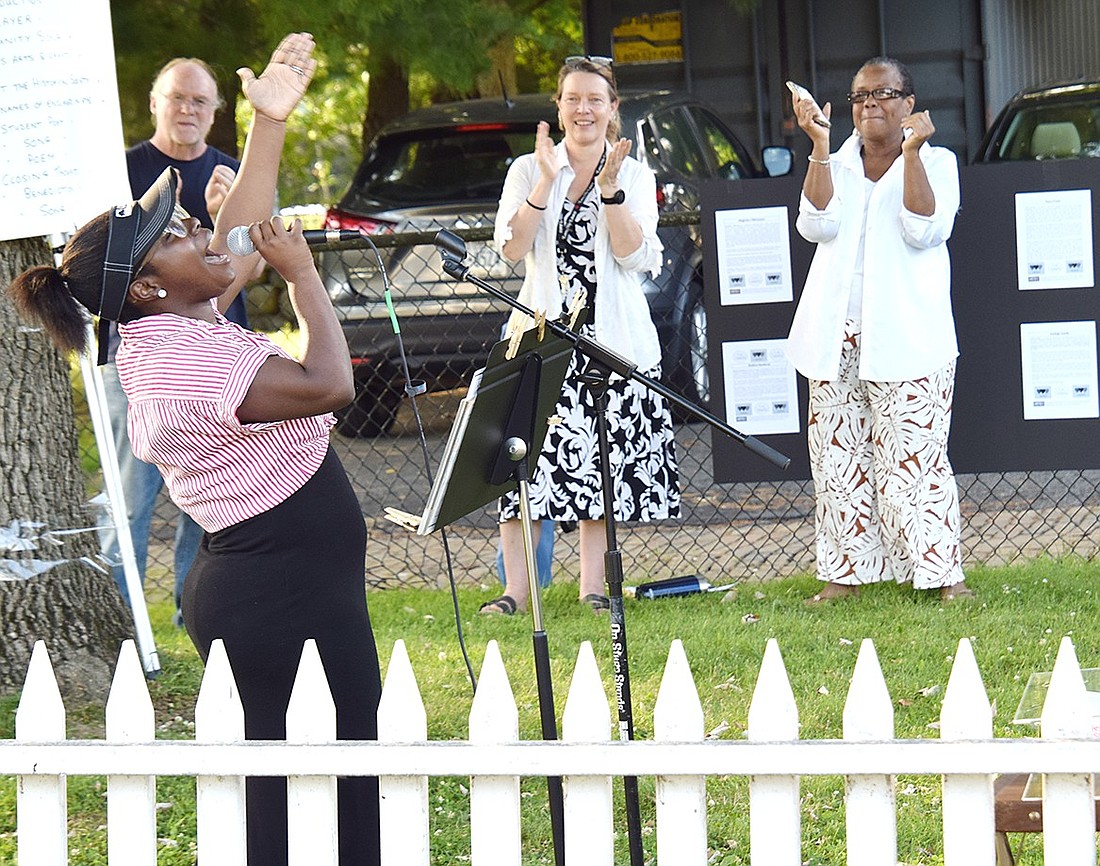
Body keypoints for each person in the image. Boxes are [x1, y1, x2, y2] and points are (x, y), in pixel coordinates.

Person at [9, 33, 381, 866]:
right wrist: (303, 279)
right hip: (272, 594)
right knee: (292, 813)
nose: (200, 230)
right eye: (179, 233)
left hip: (294, 581)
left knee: (350, 776)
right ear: (145, 285)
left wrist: (268, 125)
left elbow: (233, 243)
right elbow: (329, 385)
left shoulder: (173, 319)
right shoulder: (177, 357)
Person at [482, 55, 681, 616]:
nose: (584, 109)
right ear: (559, 106)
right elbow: (512, 247)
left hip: (611, 344)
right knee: (523, 464)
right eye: (573, 98)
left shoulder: (636, 174)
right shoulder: (528, 168)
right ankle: (515, 593)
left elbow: (634, 255)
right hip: (541, 341)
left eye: (595, 99)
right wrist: (546, 181)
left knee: (602, 470)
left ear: (613, 109)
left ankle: (592, 588)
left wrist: (611, 191)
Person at [786, 56, 972, 604]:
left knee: (915, 458)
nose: (870, 104)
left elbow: (924, 229)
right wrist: (819, 148)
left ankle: (943, 577)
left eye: (884, 94)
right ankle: (845, 575)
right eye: (860, 96)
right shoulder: (837, 161)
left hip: (909, 336)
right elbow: (816, 223)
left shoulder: (938, 162)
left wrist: (911, 154)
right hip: (835, 334)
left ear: (909, 104)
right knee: (838, 458)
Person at [100, 55, 252, 621]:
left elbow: (252, 269)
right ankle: (123, 620)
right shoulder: (119, 171)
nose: (187, 109)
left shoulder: (231, 174)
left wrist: (220, 216)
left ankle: (198, 614)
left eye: (199, 101)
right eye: (177, 97)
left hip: (216, 359)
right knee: (132, 497)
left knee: (211, 497)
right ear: (153, 102)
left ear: (215, 111)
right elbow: (103, 272)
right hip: (136, 361)